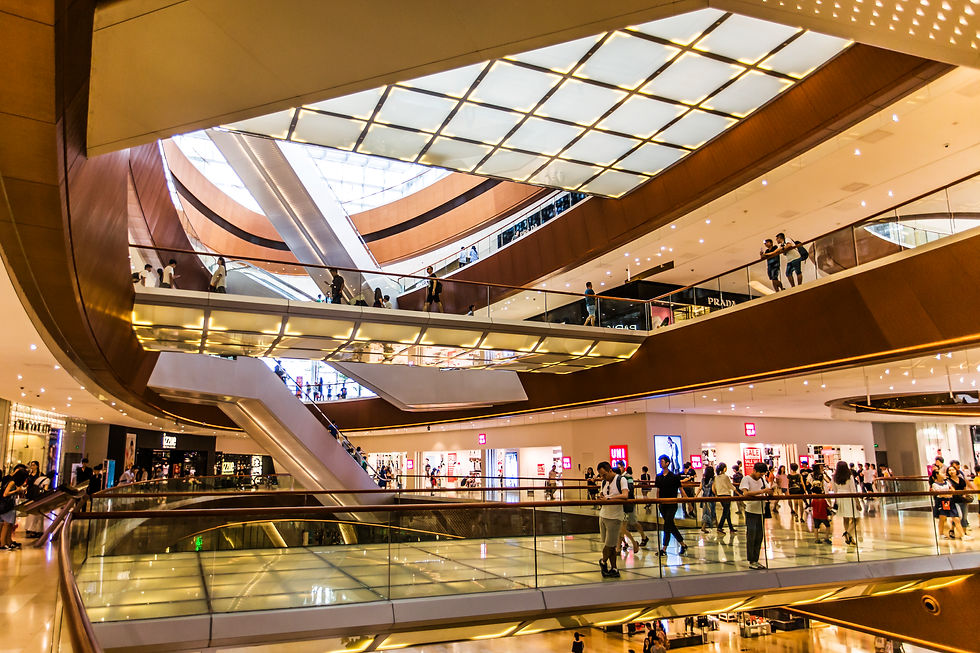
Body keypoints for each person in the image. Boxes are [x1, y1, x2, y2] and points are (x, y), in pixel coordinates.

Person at [596, 461, 628, 578]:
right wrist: (602, 498)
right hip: (603, 515)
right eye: (601, 475)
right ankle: (614, 568)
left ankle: (603, 561)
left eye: (604, 475)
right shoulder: (604, 482)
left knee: (609, 545)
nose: (603, 478)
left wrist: (608, 498)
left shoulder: (621, 480)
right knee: (611, 545)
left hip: (614, 518)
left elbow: (625, 495)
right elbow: (602, 495)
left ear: (610, 470)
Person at [739, 462, 773, 569]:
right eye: (760, 474)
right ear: (754, 470)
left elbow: (768, 490)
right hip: (751, 511)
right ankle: (751, 560)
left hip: (761, 511)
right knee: (751, 535)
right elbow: (745, 493)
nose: (761, 476)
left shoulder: (762, 480)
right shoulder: (746, 479)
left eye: (762, 474)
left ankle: (756, 559)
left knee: (759, 536)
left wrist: (770, 491)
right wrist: (762, 491)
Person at [654, 454, 688, 556]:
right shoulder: (659, 477)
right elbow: (658, 490)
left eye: (662, 461)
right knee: (670, 525)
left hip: (672, 504)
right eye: (659, 461)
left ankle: (664, 549)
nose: (660, 463)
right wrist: (658, 501)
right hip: (663, 505)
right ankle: (683, 544)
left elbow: (681, 489)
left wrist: (688, 502)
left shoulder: (674, 477)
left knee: (667, 524)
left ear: (667, 463)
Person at [833, 460, 861, 547]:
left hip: (840, 498)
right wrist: (858, 502)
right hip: (849, 498)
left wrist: (836, 501)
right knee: (856, 518)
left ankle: (849, 536)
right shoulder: (849, 477)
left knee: (845, 518)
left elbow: (835, 491)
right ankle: (848, 533)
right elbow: (853, 490)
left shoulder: (835, 477)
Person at [932, 468, 966, 540]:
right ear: (937, 475)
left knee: (956, 518)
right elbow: (940, 494)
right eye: (942, 473)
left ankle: (963, 535)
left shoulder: (947, 482)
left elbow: (952, 490)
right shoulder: (934, 484)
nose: (944, 474)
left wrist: (948, 494)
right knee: (942, 518)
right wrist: (947, 494)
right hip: (941, 502)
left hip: (950, 501)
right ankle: (941, 534)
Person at [620, 466, 648, 550]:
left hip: (629, 503)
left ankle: (643, 537)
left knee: (633, 522)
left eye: (619, 467)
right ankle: (624, 542)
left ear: (622, 467)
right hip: (623, 503)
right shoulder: (619, 477)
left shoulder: (627, 476)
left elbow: (630, 489)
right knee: (622, 525)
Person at [1, 467, 29, 550]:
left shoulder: (13, 482)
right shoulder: (12, 482)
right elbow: (5, 494)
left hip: (9, 505)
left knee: (9, 524)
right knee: (6, 524)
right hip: (6, 505)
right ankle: (2, 543)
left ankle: (8, 542)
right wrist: (16, 491)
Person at [713, 462, 736, 534]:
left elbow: (715, 487)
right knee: (726, 511)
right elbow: (730, 486)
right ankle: (720, 527)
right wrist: (738, 493)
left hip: (720, 495)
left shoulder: (716, 477)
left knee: (727, 511)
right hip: (726, 495)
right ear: (724, 468)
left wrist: (717, 494)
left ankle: (731, 527)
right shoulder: (725, 477)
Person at [700, 464, 716, 533]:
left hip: (704, 498)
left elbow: (700, 488)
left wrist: (696, 496)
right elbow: (713, 489)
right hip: (711, 498)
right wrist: (717, 495)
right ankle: (717, 526)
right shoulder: (712, 480)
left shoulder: (703, 480)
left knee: (706, 512)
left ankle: (717, 526)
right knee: (711, 512)